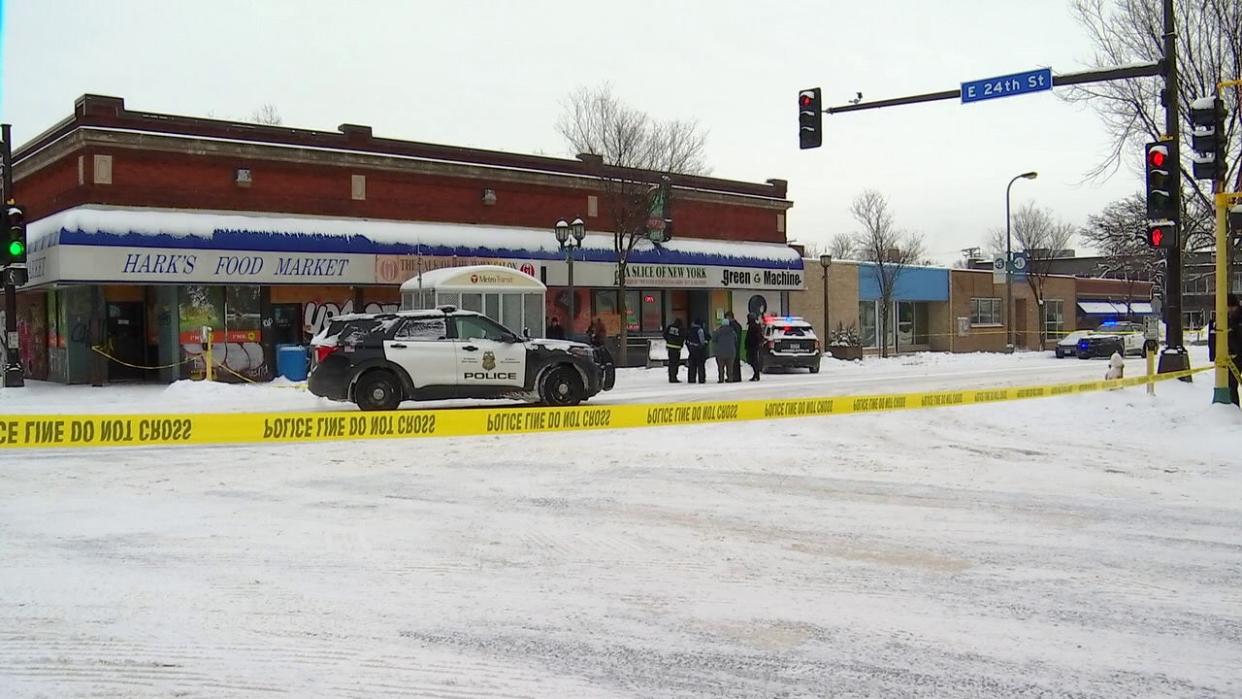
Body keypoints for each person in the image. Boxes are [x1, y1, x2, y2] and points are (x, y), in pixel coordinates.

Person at [714, 314, 738, 383]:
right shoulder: (732, 331)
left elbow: (714, 339)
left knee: (721, 367)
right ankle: (730, 378)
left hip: (720, 352)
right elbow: (735, 339)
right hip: (731, 352)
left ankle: (721, 379)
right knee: (730, 367)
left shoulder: (718, 331)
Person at [685, 318, 710, 384]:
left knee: (692, 365)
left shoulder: (690, 330)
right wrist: (704, 345)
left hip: (692, 350)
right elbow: (702, 340)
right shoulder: (700, 330)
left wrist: (690, 347)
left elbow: (686, 340)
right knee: (701, 365)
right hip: (699, 350)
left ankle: (691, 379)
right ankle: (701, 379)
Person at [1228, 293, 1241, 406]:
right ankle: (1234, 408)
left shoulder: (1234, 320)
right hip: (1234, 357)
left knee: (1231, 384)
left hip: (1236, 356)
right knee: (1231, 384)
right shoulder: (1230, 319)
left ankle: (1234, 408)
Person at [663, 318, 685, 383]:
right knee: (675, 363)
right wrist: (680, 345)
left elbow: (664, 334)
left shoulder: (670, 327)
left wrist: (668, 341)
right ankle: (674, 377)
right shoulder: (680, 329)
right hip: (676, 348)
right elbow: (682, 338)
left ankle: (670, 376)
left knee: (671, 362)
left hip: (670, 347)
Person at [745, 313, 764, 381]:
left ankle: (756, 375)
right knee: (753, 361)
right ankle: (756, 374)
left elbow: (752, 337)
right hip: (753, 346)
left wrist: (749, 344)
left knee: (753, 361)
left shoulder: (753, 326)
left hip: (753, 346)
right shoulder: (754, 325)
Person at [728, 312, 744, 383]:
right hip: (737, 345)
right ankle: (737, 377)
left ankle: (733, 377)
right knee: (736, 361)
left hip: (732, 346)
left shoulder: (731, 326)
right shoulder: (738, 325)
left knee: (732, 362)